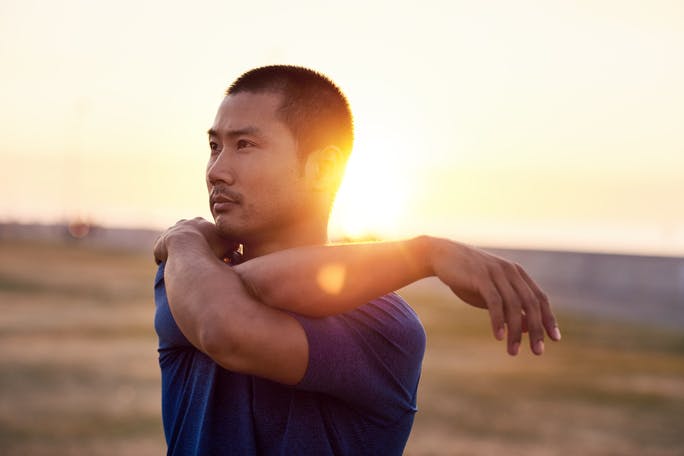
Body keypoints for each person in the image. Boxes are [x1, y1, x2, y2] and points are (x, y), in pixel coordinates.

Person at [153, 65, 561, 455]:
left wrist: (184, 239)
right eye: (214, 147)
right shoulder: (187, 277)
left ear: (325, 168)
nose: (216, 170)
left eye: (245, 145)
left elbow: (229, 328)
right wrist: (425, 255)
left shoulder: (384, 326)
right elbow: (242, 297)